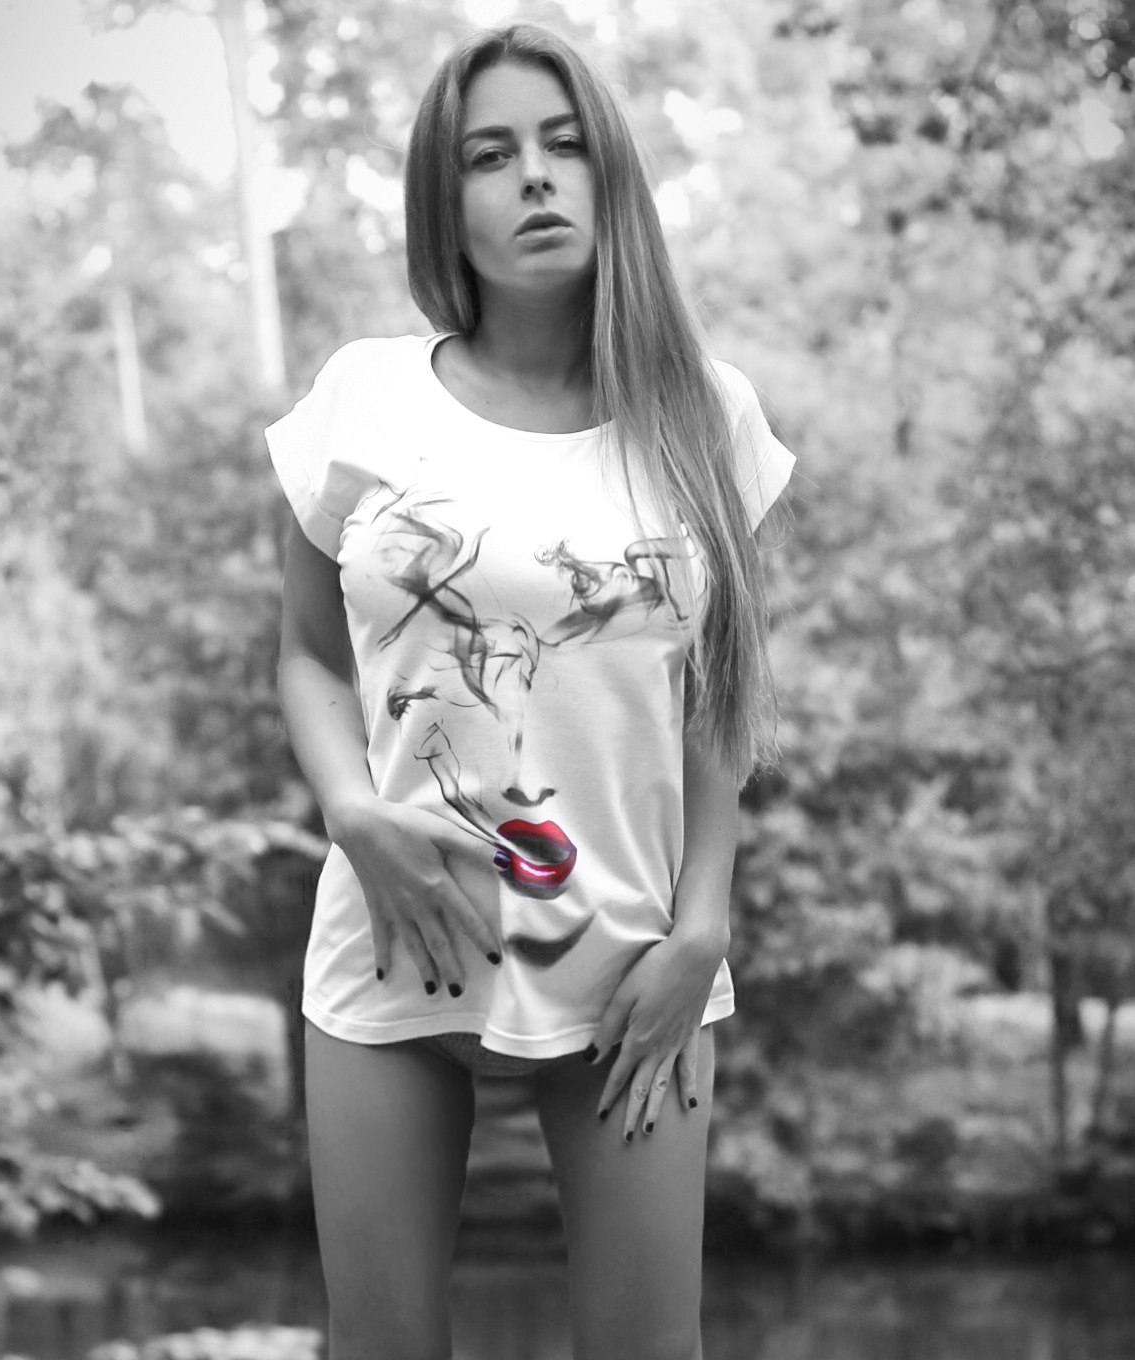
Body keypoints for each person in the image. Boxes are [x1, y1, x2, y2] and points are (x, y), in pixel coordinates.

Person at [267, 21, 795, 1360]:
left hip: (635, 966)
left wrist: (702, 931)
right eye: (490, 155)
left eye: (564, 145)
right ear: (445, 202)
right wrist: (356, 817)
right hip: (396, 936)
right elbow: (309, 652)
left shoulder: (706, 415)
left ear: (611, 171)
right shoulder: (364, 397)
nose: (536, 177)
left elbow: (719, 702)